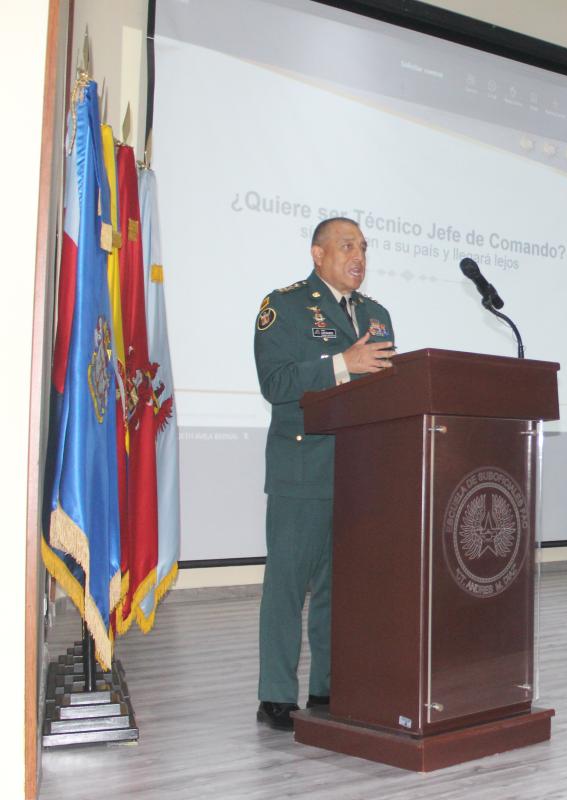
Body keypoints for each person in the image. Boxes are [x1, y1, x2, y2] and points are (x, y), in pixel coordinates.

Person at [252, 217, 395, 730]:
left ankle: (327, 688)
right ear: (318, 254)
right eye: (347, 246)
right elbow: (276, 382)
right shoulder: (284, 307)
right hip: (303, 466)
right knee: (289, 584)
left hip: (358, 472)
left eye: (363, 248)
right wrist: (343, 363)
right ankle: (275, 695)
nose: (358, 256)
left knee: (340, 589)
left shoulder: (376, 314)